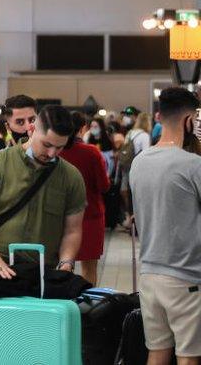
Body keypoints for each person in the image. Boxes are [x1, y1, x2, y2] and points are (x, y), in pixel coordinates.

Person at [0, 105, 86, 278]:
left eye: (59, 147)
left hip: (44, 272)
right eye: (47, 144)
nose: (51, 153)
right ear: (32, 129)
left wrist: (66, 264)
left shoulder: (71, 177)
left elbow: (73, 230)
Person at [129, 87, 201, 365]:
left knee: (157, 352)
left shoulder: (139, 162)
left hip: (150, 275)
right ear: (188, 121)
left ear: (160, 117)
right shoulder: (192, 165)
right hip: (185, 277)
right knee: (188, 356)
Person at [58, 111, 111, 286]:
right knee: (89, 268)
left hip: (61, 217)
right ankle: (88, 308)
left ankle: (65, 304)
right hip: (90, 215)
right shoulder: (91, 152)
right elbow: (104, 185)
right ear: (83, 128)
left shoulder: (55, 152)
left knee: (64, 265)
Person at [119, 111, 152, 230]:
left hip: (126, 166)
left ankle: (129, 217)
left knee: (126, 191)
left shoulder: (130, 132)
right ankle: (136, 219)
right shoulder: (144, 135)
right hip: (138, 167)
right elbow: (146, 153)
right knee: (137, 194)